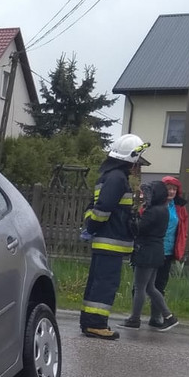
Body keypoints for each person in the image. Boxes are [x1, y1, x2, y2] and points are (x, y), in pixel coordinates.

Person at [79, 133, 150, 340]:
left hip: (105, 241)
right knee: (105, 283)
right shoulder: (118, 178)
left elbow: (95, 206)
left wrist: (90, 227)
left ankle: (89, 321)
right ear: (131, 157)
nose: (138, 164)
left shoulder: (110, 176)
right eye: (138, 158)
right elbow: (103, 208)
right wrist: (92, 226)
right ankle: (96, 324)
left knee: (97, 282)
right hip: (111, 243)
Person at [120, 180, 179, 331]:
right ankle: (169, 316)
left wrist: (131, 219)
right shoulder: (163, 209)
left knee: (140, 287)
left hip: (146, 251)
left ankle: (134, 319)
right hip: (157, 250)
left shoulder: (153, 211)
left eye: (146, 193)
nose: (143, 196)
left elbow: (139, 228)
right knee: (150, 287)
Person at [151, 174, 189, 324]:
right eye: (168, 188)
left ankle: (155, 317)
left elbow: (183, 230)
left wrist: (179, 248)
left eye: (174, 189)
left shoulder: (179, 208)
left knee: (160, 284)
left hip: (167, 251)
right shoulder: (153, 204)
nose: (171, 192)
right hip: (152, 249)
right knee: (143, 285)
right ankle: (135, 316)